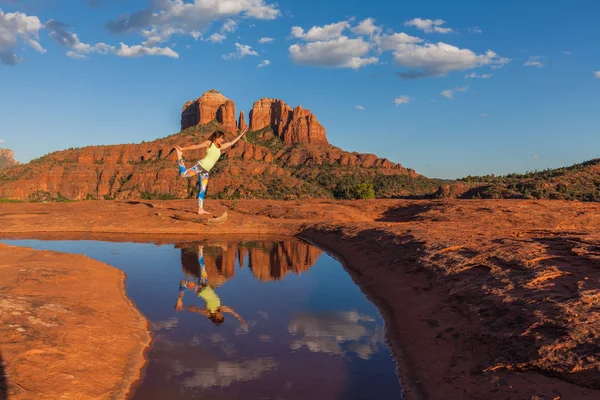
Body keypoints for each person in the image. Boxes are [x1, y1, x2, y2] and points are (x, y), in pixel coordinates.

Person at [174, 128, 247, 215]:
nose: (223, 140)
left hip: (206, 171)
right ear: (217, 138)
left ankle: (200, 209)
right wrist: (183, 149)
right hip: (200, 166)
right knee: (183, 174)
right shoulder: (209, 143)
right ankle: (179, 155)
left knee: (202, 190)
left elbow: (231, 143)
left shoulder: (220, 147)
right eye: (221, 138)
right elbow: (196, 146)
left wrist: (240, 135)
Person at [175, 245, 246, 327]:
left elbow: (196, 310)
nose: (222, 315)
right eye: (222, 316)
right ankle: (200, 249)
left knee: (183, 282)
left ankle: (179, 298)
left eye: (221, 316)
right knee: (202, 267)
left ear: (216, 317)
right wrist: (238, 317)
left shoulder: (208, 313)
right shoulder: (219, 307)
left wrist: (185, 308)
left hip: (200, 290)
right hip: (205, 284)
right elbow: (230, 310)